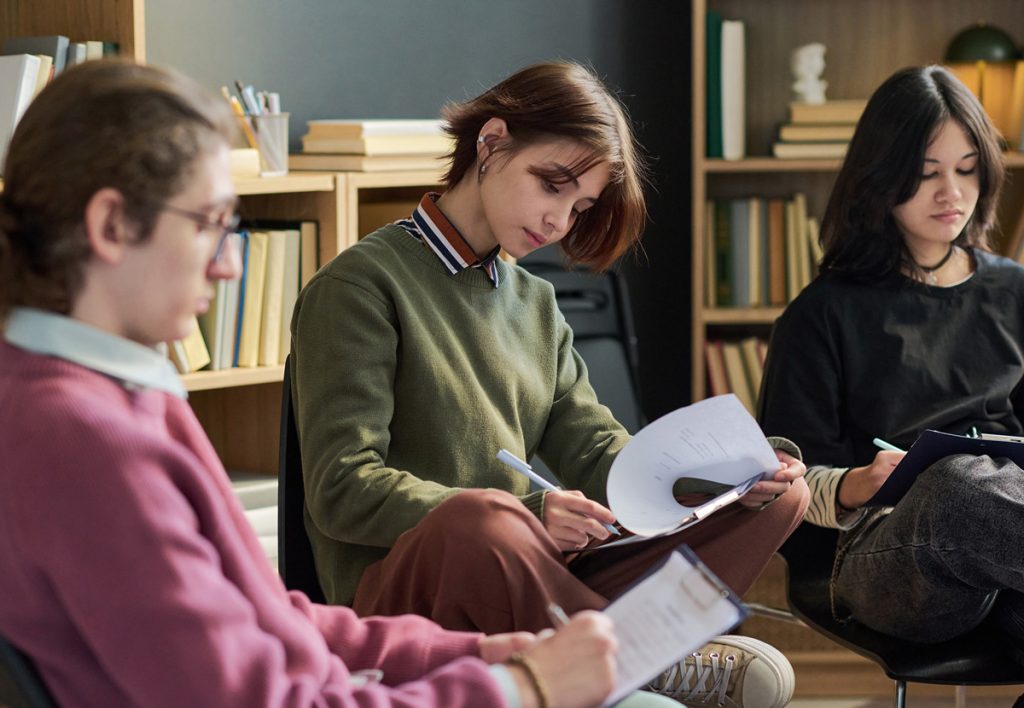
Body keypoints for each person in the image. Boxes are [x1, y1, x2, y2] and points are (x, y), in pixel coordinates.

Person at [0, 59, 680, 708]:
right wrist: (520, 689)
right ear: (112, 226)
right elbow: (254, 697)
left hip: (394, 644)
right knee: (493, 531)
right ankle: (653, 661)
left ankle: (651, 656)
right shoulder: (81, 437)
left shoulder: (122, 404)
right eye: (210, 224)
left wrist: (477, 655)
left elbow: (270, 618)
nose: (230, 267)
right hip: (396, 602)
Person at [291, 60, 810, 707]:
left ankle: (619, 646)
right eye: (551, 185)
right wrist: (528, 512)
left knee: (778, 499)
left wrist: (731, 476)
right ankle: (637, 657)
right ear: (491, 143)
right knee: (480, 519)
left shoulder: (535, 303)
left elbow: (598, 454)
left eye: (580, 205)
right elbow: (342, 489)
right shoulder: (360, 286)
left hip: (524, 575)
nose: (560, 221)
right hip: (407, 601)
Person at [758, 64, 1024, 645]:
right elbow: (783, 485)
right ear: (881, 178)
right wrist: (856, 483)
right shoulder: (823, 312)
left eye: (967, 169)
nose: (952, 192)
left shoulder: (1013, 290)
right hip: (880, 555)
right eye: (927, 173)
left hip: (1006, 553)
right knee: (955, 485)